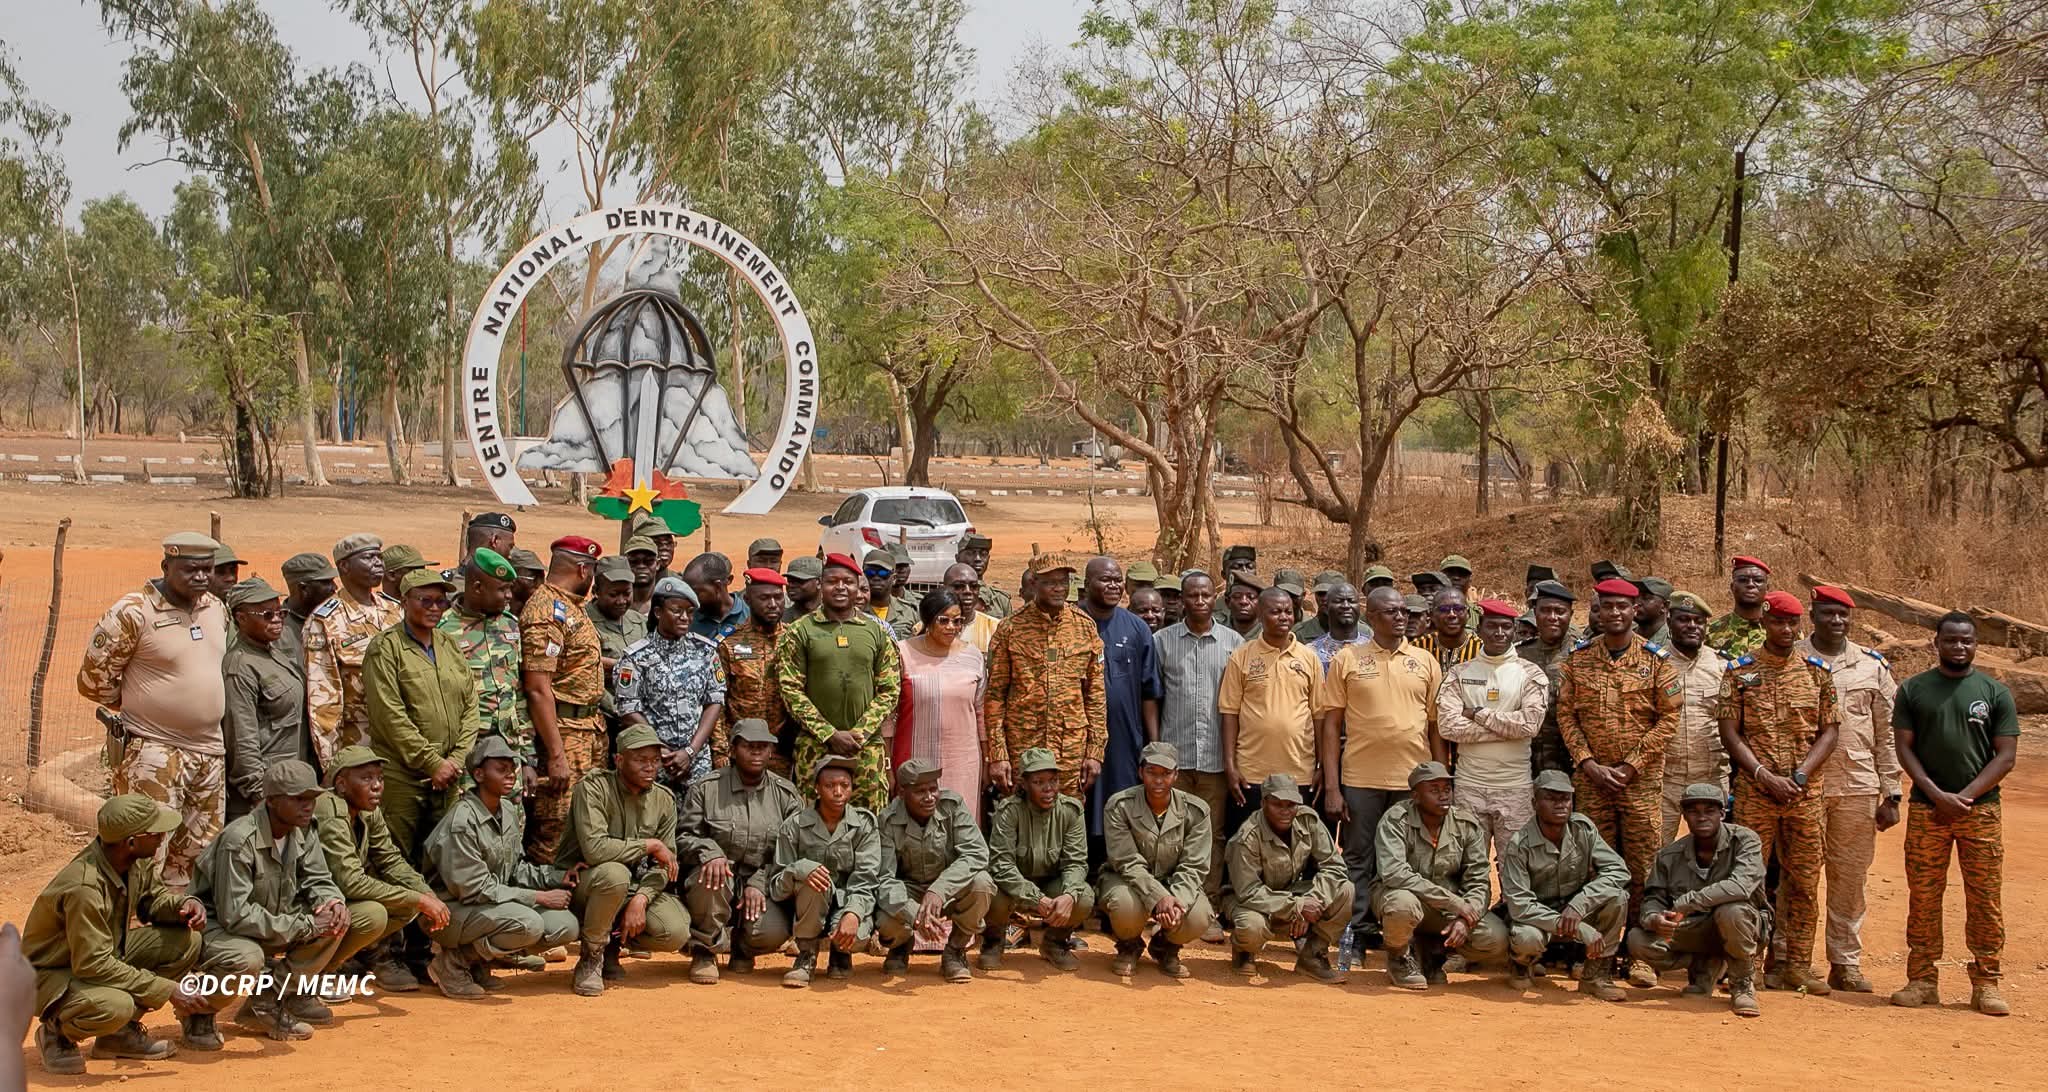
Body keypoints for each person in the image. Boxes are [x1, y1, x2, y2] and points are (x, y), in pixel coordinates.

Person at [77, 530, 229, 888]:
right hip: (155, 751)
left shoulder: (215, 608)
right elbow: (92, 680)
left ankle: (173, 927)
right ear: (165, 566)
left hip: (209, 752)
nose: (201, 577)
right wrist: (139, 702)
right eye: (190, 569)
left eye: (207, 569)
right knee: (145, 850)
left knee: (197, 849)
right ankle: (130, 929)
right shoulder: (133, 612)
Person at [1890, 612, 2018, 1017]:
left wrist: (1962, 796)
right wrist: (1932, 792)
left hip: (1980, 811)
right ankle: (1922, 980)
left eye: (1966, 641)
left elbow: (2007, 755)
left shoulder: (1995, 692)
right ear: (1937, 643)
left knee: (1984, 899)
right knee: (1924, 897)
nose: (1959, 647)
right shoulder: (1913, 690)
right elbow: (1904, 747)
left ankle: (1986, 983)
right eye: (1951, 640)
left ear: (1976, 644)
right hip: (1928, 811)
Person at [1555, 576, 1681, 987]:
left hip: (1639, 784)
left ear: (1634, 611)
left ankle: (1638, 954)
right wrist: (1587, 762)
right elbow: (1566, 716)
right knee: (1595, 869)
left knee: (1644, 869)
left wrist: (1631, 765)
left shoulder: (1657, 662)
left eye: (1622, 607)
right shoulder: (1578, 660)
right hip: (1592, 782)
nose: (1614, 613)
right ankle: (1596, 955)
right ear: (1596, 611)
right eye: (1606, 606)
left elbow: (1669, 718)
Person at [25, 795, 206, 1075]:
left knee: (185, 942)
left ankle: (117, 1036)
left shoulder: (134, 860)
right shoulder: (84, 887)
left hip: (100, 952)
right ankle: (56, 1032)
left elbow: (152, 900)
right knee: (115, 1005)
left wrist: (182, 905)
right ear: (130, 841)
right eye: (155, 833)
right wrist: (165, 989)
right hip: (50, 973)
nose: (162, 838)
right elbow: (93, 964)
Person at [1718, 589, 1839, 996]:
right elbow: (1730, 731)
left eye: (1792, 623)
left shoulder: (1817, 671)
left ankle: (1796, 965)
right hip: (1756, 794)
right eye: (1777, 622)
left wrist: (1801, 776)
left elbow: (1830, 731)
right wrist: (1763, 774)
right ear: (1765, 623)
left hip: (1805, 797)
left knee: (1803, 882)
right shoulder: (1741, 670)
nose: (1785, 630)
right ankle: (1747, 967)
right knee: (1750, 882)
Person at [184, 760, 352, 1047]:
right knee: (247, 958)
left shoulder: (303, 830)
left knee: (338, 922)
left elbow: (319, 878)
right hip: (219, 929)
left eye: (312, 798)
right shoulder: (239, 840)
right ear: (272, 801)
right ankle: (199, 1011)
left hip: (272, 917)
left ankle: (267, 998)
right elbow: (235, 915)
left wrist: (332, 902)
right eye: (299, 799)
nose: (308, 806)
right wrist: (306, 925)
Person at [1318, 586, 1442, 952]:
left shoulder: (1424, 661)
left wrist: (1438, 779)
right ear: (1371, 617)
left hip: (1412, 783)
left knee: (1410, 860)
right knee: (1358, 856)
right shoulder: (1348, 659)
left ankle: (1403, 937)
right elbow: (1330, 726)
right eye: (1391, 612)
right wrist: (1332, 785)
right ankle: (1355, 933)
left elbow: (1435, 726)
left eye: (1404, 610)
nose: (1401, 617)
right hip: (1361, 779)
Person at [1795, 585, 1902, 993]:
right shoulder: (1793, 659)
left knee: (1850, 878)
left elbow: (1887, 734)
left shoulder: (1872, 667)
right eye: (1827, 614)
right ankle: (1790, 957)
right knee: (1799, 876)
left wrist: (1891, 792)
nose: (1836, 622)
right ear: (1813, 615)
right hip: (1804, 787)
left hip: (1858, 786)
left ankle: (1845, 961)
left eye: (1842, 615)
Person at [420, 736, 578, 998]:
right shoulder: (462, 821)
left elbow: (515, 870)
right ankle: (453, 964)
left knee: (565, 925)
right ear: (479, 775)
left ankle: (479, 962)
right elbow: (474, 889)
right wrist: (538, 897)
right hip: (449, 911)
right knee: (528, 924)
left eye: (512, 769)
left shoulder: (506, 809)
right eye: (500, 769)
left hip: (487, 906)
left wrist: (557, 877)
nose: (510, 776)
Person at [554, 725, 688, 996]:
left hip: (628, 889)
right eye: (641, 760)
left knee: (674, 930)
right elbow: (595, 850)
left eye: (655, 760)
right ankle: (591, 957)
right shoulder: (593, 788)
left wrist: (642, 898)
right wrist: (649, 844)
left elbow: (665, 864)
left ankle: (612, 946)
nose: (650, 767)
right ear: (619, 760)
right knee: (614, 874)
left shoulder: (663, 799)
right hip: (582, 885)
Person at [363, 569, 480, 866]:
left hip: (449, 777)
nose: (434, 608)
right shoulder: (385, 648)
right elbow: (390, 716)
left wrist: (455, 760)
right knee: (396, 858)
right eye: (425, 600)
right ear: (404, 601)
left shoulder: (448, 644)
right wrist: (431, 762)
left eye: (441, 602)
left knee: (445, 859)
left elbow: (470, 705)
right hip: (404, 776)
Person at [312, 747, 450, 994]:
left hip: (335, 902)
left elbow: (389, 859)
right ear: (341, 785)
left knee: (407, 905)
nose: (377, 785)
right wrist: (419, 899)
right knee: (376, 913)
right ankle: (315, 972)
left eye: (380, 778)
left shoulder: (368, 809)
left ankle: (331, 966)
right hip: (308, 903)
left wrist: (426, 894)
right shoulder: (329, 809)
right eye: (366, 778)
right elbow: (350, 882)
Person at [677, 719, 805, 983]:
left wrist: (759, 882)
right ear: (734, 750)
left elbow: (793, 852)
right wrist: (709, 851)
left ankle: (743, 948)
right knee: (712, 875)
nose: (756, 752)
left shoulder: (786, 794)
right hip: (719, 879)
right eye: (749, 746)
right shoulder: (707, 788)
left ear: (771, 751)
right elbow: (684, 836)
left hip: (763, 884)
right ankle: (704, 950)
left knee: (771, 932)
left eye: (763, 747)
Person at [1626, 783, 1768, 1017]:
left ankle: (1742, 984)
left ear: (1722, 813)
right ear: (1684, 816)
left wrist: (1689, 901)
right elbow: (1653, 898)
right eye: (1694, 811)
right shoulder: (1669, 856)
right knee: (1638, 940)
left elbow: (1741, 885)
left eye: (1709, 811)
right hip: (1695, 929)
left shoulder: (1745, 841)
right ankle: (1703, 965)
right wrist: (1654, 918)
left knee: (1731, 911)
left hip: (1743, 926)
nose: (1702, 817)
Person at [775, 553, 902, 812]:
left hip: (865, 748)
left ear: (858, 587)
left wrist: (859, 733)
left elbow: (890, 688)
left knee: (868, 823)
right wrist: (829, 734)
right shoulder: (800, 631)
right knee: (813, 824)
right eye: (833, 581)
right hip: (816, 747)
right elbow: (790, 689)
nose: (841, 587)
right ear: (821, 586)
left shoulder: (876, 631)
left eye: (848, 581)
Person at [1152, 570, 1242, 919]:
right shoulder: (1163, 641)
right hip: (1174, 756)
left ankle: (1207, 907)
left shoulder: (1234, 643)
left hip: (1216, 758)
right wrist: (1156, 746)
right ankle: (1166, 905)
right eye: (1193, 596)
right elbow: (1153, 698)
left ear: (1214, 597)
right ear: (1182, 599)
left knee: (1211, 836)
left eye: (1206, 595)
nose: (1200, 601)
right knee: (1167, 833)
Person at [983, 553, 1106, 801]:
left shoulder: (1084, 627)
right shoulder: (1010, 628)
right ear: (1033, 584)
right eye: (1050, 582)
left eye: (1064, 581)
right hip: (1023, 744)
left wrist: (1094, 752)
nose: (1059, 588)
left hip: (1070, 747)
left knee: (1068, 816)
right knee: (1019, 818)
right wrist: (999, 754)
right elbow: (995, 696)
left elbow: (1095, 695)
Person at [1373, 761, 1507, 989]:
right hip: (1404, 899)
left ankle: (1434, 954)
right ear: (1415, 796)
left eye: (1447, 789)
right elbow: (1394, 873)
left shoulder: (1466, 825)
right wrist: (1455, 903)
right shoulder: (1396, 820)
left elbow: (1479, 881)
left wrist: (1466, 918)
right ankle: (1398, 957)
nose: (1443, 795)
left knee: (1495, 937)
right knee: (1402, 905)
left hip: (1446, 910)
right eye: (1434, 790)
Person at [1499, 770, 1629, 998]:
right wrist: (1574, 926)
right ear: (1534, 803)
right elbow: (1520, 906)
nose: (1560, 804)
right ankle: (1521, 964)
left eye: (1565, 798)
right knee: (1527, 938)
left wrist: (1581, 903)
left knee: (1617, 898)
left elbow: (1618, 870)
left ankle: (1596, 976)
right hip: (1538, 918)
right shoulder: (1519, 844)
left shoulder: (1583, 829)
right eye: (1551, 798)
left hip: (1576, 909)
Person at [1435, 599, 1547, 859]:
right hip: (1469, 787)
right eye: (1492, 626)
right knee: (1468, 866)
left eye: (1506, 627)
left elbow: (1530, 724)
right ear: (1479, 630)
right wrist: (1508, 727)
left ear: (1514, 629)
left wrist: (1477, 714)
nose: (1499, 633)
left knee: (1515, 864)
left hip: (1515, 788)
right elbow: (1448, 726)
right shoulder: (1459, 674)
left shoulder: (1530, 674)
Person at [521, 536, 607, 863]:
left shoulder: (570, 606)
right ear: (583, 570)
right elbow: (537, 687)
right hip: (564, 733)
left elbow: (572, 661)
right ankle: (547, 901)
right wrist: (556, 755)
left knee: (585, 824)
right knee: (555, 828)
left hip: (587, 730)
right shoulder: (546, 610)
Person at [1099, 742, 1215, 978]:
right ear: (1141, 772)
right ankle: (1129, 946)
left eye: (1165, 774)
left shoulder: (1197, 811)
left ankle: (1166, 947)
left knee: (1200, 915)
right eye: (1151, 772)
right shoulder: (1119, 806)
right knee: (1125, 906)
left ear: (1176, 775)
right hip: (1126, 880)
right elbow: (1127, 861)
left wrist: (1176, 903)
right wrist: (1159, 897)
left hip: (1174, 883)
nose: (1158, 780)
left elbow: (1193, 866)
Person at [875, 758, 994, 983]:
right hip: (909, 892)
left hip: (947, 891)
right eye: (920, 791)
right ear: (902, 792)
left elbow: (976, 853)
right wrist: (914, 914)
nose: (930, 797)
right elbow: (884, 879)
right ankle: (900, 947)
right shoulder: (888, 820)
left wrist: (939, 890)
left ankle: (955, 952)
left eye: (933, 789)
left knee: (982, 884)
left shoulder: (952, 805)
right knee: (885, 917)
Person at [1224, 773, 1351, 983]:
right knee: (1251, 927)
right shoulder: (1247, 837)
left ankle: (1313, 955)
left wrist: (1313, 900)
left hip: (1290, 892)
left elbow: (1334, 866)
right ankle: (1244, 949)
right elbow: (1248, 892)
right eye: (1277, 804)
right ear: (1264, 802)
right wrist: (1297, 906)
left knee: (1346, 890)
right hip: (1249, 902)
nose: (1285, 811)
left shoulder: (1307, 820)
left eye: (1291, 805)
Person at [769, 755, 883, 988]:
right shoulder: (795, 825)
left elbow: (866, 878)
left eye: (845, 785)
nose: (838, 792)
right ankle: (806, 955)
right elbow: (777, 886)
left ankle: (841, 953)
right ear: (817, 788)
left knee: (859, 935)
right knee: (814, 879)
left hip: (846, 902)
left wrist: (852, 912)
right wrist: (799, 869)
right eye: (830, 786)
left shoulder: (864, 826)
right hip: (806, 908)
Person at [1221, 586, 1321, 833]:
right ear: (1260, 614)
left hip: (1299, 773)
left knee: (1297, 844)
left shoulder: (1309, 658)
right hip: (1252, 772)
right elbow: (1229, 713)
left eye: (1288, 611)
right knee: (1247, 843)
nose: (1284, 617)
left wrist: (1321, 767)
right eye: (1276, 612)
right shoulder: (1241, 656)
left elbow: (1320, 716)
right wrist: (1231, 766)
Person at [981, 747, 1093, 971]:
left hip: (1052, 884)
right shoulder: (1009, 811)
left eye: (1053, 780)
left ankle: (1055, 942)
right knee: (990, 892)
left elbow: (1076, 862)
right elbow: (1001, 865)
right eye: (1039, 782)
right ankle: (993, 941)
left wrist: (1069, 894)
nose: (1048, 788)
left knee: (1083, 897)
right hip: (1014, 886)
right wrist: (1036, 899)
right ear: (1023, 783)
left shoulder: (1071, 811)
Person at [1079, 557, 1161, 847]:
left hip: (1124, 737)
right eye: (1105, 579)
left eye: (1117, 580)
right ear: (1086, 584)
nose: (1113, 585)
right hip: (1077, 736)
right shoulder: (1071, 625)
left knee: (1120, 802)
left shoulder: (1137, 629)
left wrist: (1152, 743)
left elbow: (1149, 691)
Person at [616, 576, 726, 792]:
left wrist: (690, 751)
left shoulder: (705, 651)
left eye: (690, 612)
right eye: (677, 610)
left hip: (697, 763)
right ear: (658, 612)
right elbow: (627, 708)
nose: (685, 617)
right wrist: (660, 750)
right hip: (652, 762)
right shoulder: (635, 657)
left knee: (697, 823)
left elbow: (715, 700)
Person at [439, 549, 531, 797]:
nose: (509, 595)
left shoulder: (510, 624)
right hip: (466, 753)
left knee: (511, 826)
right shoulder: (442, 629)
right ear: (477, 587)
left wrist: (528, 757)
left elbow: (518, 693)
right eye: (502, 589)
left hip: (508, 750)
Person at [304, 533, 401, 768]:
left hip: (402, 741)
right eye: (369, 557)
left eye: (379, 557)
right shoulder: (325, 620)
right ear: (344, 566)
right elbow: (324, 700)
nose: (378, 563)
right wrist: (332, 765)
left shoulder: (396, 611)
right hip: (359, 743)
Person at [895, 590, 987, 820]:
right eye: (943, 620)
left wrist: (988, 759)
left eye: (957, 621)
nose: (951, 627)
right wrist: (888, 764)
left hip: (963, 759)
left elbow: (981, 711)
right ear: (927, 620)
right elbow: (889, 714)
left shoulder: (973, 656)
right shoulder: (902, 652)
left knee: (960, 823)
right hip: (915, 755)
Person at [221, 577, 306, 821]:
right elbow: (242, 738)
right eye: (267, 614)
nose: (278, 619)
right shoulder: (240, 666)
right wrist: (260, 796)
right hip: (266, 796)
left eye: (281, 612)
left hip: (289, 784)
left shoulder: (272, 653)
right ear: (241, 618)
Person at [1659, 592, 1729, 840]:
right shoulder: (1654, 662)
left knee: (1713, 854)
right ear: (1669, 620)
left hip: (1711, 775)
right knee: (1657, 853)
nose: (1692, 626)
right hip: (1664, 779)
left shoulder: (1722, 667)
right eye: (1684, 619)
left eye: (1698, 621)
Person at [719, 568, 792, 775]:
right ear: (748, 599)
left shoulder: (795, 638)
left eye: (778, 597)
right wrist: (721, 751)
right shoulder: (730, 643)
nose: (773, 604)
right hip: (742, 747)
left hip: (783, 749)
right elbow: (717, 701)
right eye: (764, 598)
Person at [1519, 580, 1577, 775]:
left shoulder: (1584, 656)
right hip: (1524, 758)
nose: (1552, 617)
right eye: (1546, 611)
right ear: (1535, 613)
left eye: (1560, 611)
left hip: (1570, 760)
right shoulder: (1518, 655)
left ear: (1571, 615)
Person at [585, 556, 648, 730]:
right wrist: (621, 711)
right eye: (613, 595)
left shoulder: (639, 622)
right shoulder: (584, 622)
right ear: (596, 591)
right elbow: (589, 676)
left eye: (626, 594)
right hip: (605, 721)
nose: (621, 601)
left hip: (642, 718)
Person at [1706, 555, 1771, 657]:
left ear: (1767, 588)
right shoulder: (1710, 632)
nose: (1750, 585)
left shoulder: (1780, 630)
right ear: (1732, 587)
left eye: (1758, 580)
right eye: (1743, 580)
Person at [279, 552, 338, 662]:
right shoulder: (277, 629)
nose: (334, 587)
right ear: (304, 589)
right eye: (326, 582)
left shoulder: (336, 618)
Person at [684, 552, 750, 642]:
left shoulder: (750, 617)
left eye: (696, 592)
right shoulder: (687, 621)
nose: (691, 599)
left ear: (717, 586)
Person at [938, 562, 1001, 652]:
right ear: (943, 589)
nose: (968, 591)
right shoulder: (927, 629)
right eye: (958, 586)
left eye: (974, 586)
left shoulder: (996, 629)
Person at [1414, 588, 1481, 670]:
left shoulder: (1481, 649)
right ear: (1432, 616)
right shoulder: (1417, 648)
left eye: (1458, 609)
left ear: (1468, 614)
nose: (1452, 615)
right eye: (1443, 609)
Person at [1308, 582, 1368, 670]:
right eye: (1338, 601)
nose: (1346, 606)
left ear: (1359, 607)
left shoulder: (1374, 648)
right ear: (1327, 607)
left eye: (1351, 601)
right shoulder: (1311, 652)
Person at [858, 549, 913, 639]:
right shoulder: (853, 610)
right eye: (870, 572)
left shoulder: (909, 612)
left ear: (894, 578)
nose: (876, 578)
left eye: (883, 573)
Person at [956, 533, 1011, 619]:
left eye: (983, 554)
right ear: (957, 558)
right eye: (970, 553)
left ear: (988, 559)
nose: (978, 558)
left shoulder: (1000, 600)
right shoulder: (945, 597)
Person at [623, 535, 662, 616]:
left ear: (657, 564)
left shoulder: (665, 604)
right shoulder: (617, 605)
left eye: (648, 561)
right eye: (634, 561)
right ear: (625, 565)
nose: (641, 566)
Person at [506, 547, 545, 617]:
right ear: (513, 579)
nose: (540, 584)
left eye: (542, 577)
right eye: (533, 577)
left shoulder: (540, 614)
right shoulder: (496, 613)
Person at [1635, 577, 1673, 645]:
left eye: (1646, 598)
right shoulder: (1624, 635)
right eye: (1636, 597)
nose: (1637, 602)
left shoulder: (1673, 643)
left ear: (1664, 606)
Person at [1224, 573, 1262, 638]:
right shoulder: (1218, 633)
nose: (1244, 601)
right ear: (1228, 602)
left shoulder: (1270, 634)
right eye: (1237, 596)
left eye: (1251, 597)